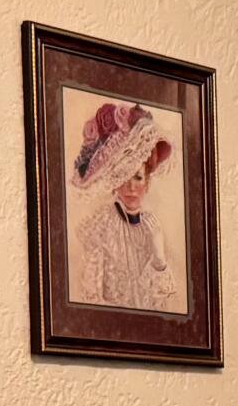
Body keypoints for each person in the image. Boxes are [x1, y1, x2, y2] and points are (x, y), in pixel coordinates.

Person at [68, 100, 183, 312]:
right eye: (124, 177)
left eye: (138, 177)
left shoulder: (152, 226)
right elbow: (90, 298)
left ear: (147, 182)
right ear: (114, 181)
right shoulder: (100, 226)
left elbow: (161, 306)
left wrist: (159, 257)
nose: (131, 187)